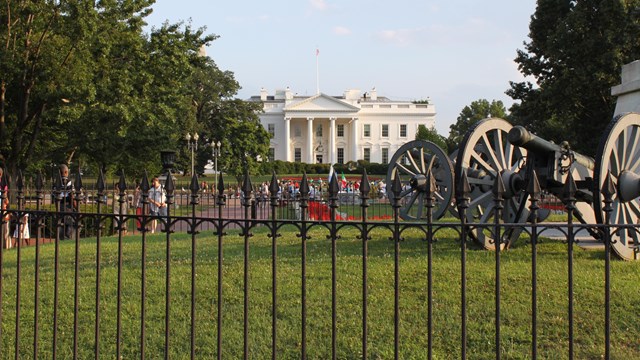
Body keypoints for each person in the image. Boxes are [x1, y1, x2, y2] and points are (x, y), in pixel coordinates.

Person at [59, 164, 76, 240]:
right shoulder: (68, 182)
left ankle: (62, 237)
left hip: (60, 205)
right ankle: (68, 237)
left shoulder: (56, 182)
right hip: (68, 206)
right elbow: (71, 196)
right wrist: (76, 206)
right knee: (70, 223)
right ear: (65, 172)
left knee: (61, 224)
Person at [0, 167, 10, 249]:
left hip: (2, 207)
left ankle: (6, 245)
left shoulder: (3, 185)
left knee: (5, 228)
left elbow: (6, 198)